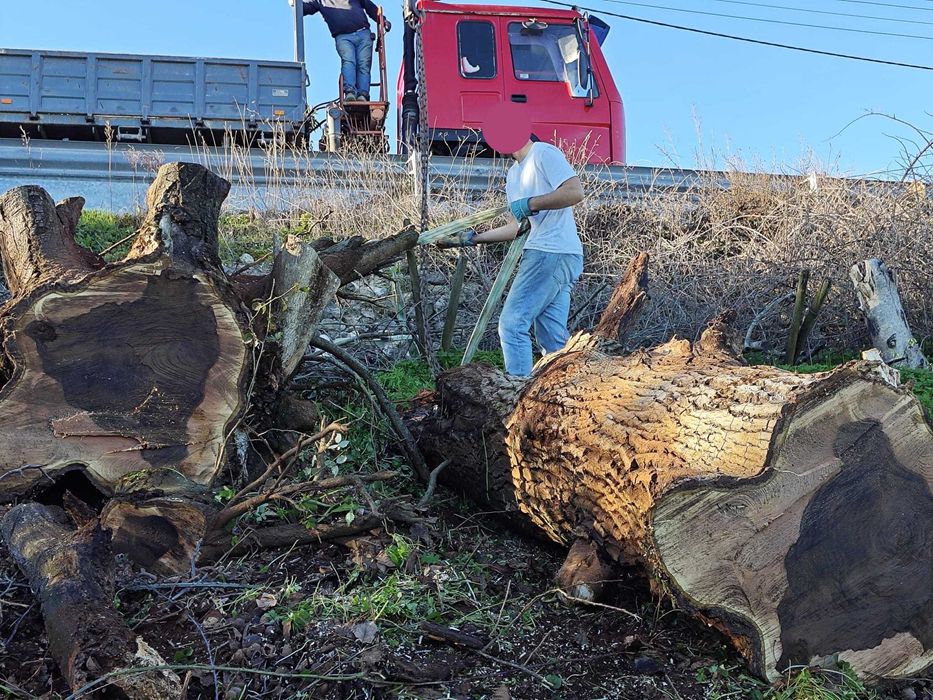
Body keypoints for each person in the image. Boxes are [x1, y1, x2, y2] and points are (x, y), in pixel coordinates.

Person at [439, 105, 585, 376]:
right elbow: (517, 228)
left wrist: (531, 203)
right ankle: (570, 397)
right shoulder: (513, 175)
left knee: (512, 324)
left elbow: (575, 192)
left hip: (549, 253)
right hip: (554, 254)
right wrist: (473, 238)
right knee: (553, 342)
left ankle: (517, 397)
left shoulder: (544, 153)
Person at [301, 0, 391, 102]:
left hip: (363, 33)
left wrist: (383, 21)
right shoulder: (320, 1)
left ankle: (363, 95)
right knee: (349, 61)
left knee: (364, 64)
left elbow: (370, 6)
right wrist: (293, 2)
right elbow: (303, 8)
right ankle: (350, 92)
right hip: (343, 37)